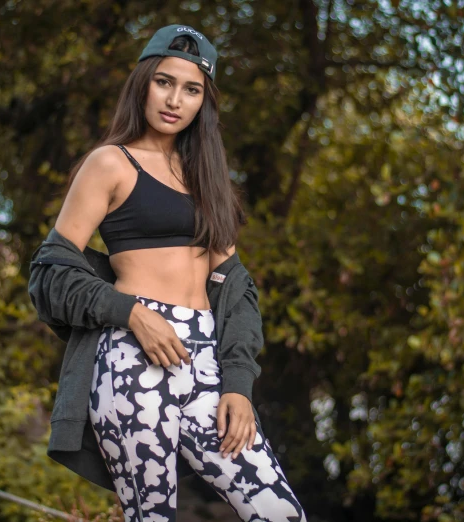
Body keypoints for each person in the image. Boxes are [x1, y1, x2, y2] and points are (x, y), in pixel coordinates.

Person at [51, 24, 306, 522]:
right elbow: (52, 271)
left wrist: (238, 383)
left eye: (192, 89)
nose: (175, 100)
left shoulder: (207, 176)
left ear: (204, 102)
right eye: (164, 82)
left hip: (205, 359)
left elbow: (236, 288)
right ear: (143, 82)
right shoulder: (110, 163)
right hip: (133, 360)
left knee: (280, 513)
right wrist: (132, 315)